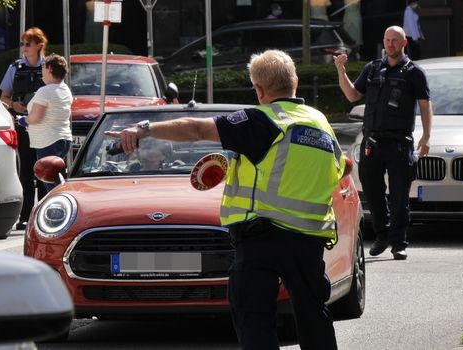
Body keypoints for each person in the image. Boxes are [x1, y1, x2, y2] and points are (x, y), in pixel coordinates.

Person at [105, 50, 341, 350]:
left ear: (259, 90)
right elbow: (340, 165)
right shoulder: (320, 123)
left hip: (262, 238)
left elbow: (196, 129)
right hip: (309, 239)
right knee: (313, 317)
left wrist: (144, 129)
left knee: (255, 318)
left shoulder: (263, 120)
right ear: (294, 82)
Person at [333, 26, 432, 260]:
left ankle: (399, 242)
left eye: (394, 41)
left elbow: (425, 105)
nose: (390, 44)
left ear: (404, 42)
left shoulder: (414, 73)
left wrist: (426, 136)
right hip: (373, 143)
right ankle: (382, 234)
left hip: (399, 143)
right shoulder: (372, 68)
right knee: (373, 193)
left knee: (399, 197)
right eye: (387, 40)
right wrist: (340, 70)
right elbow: (352, 96)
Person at [0, 27, 48, 231]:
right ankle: (26, 215)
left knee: (46, 172)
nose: (24, 48)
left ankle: (47, 215)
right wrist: (14, 106)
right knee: (26, 172)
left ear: (39, 46)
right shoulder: (15, 68)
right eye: (22, 44)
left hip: (46, 127)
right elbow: (3, 96)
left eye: (28, 44)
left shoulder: (49, 66)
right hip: (23, 126)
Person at [17, 54, 73, 193]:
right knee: (55, 179)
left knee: (50, 185)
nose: (41, 70)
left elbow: (35, 118)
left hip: (48, 141)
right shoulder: (65, 88)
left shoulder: (45, 91)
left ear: (49, 69)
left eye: (43, 67)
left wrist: (22, 120)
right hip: (63, 139)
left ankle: (57, 210)